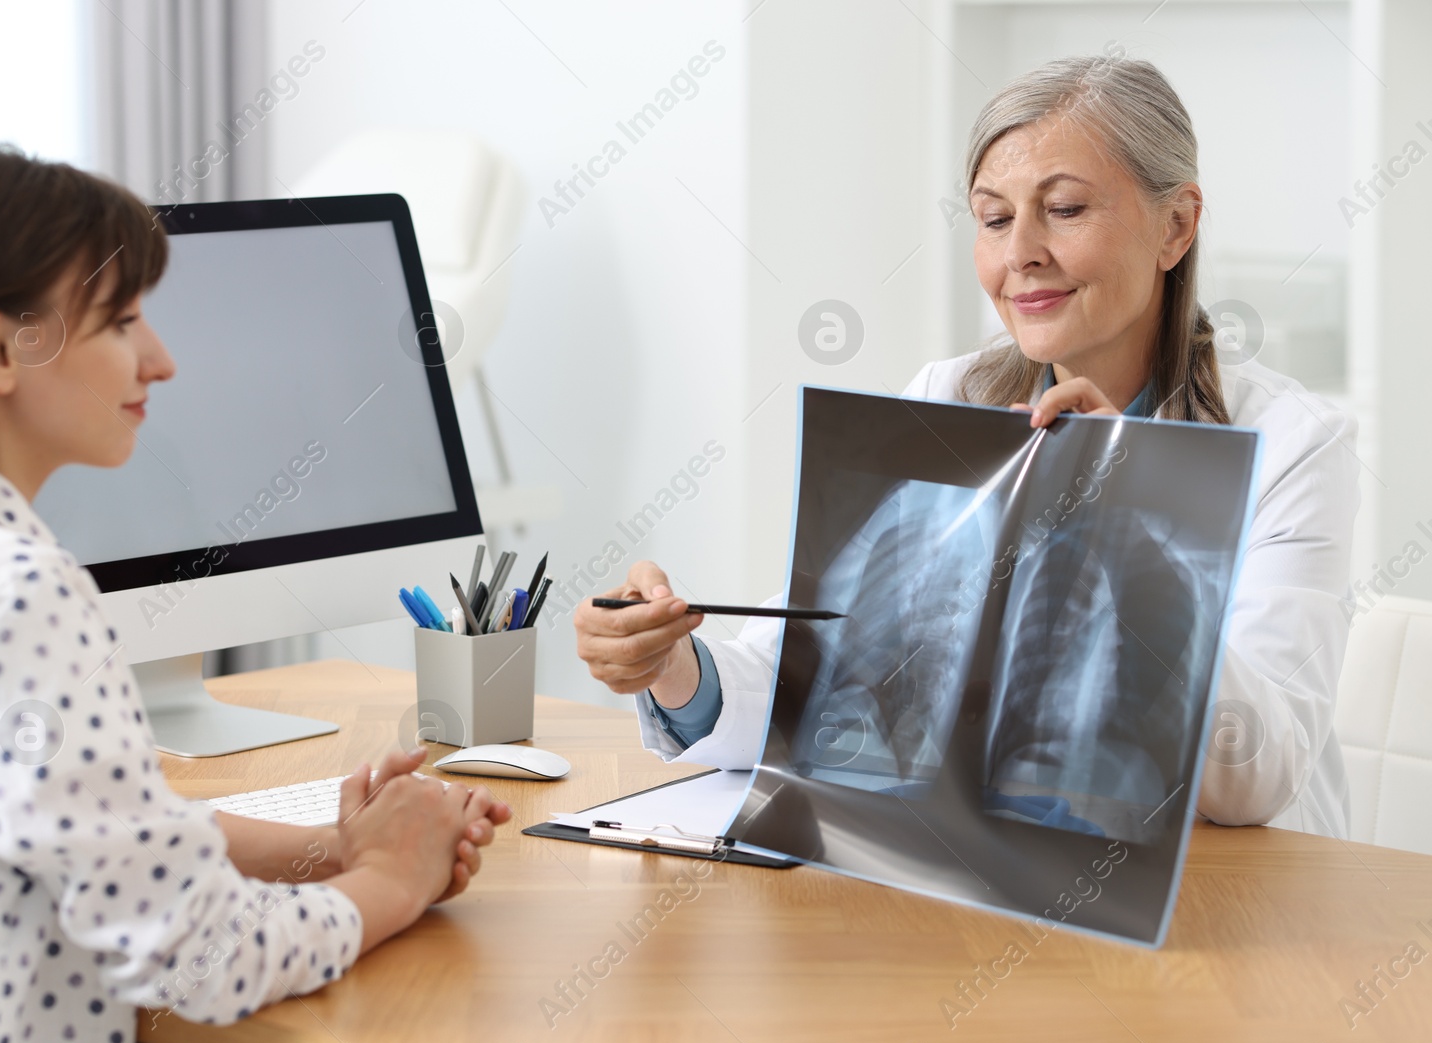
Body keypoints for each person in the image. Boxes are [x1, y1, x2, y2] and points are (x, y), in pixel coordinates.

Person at [0, 146, 509, 1043]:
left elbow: (94, 831)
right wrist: (391, 878)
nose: (162, 361)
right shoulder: (6, 591)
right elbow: (197, 959)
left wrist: (325, 848)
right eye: (121, 322)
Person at [573, 54, 1359, 838]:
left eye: (1066, 208)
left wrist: (1118, 520)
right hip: (983, 881)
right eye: (992, 218)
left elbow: (1258, 772)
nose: (1020, 252)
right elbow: (803, 678)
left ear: (1176, 225)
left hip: (1231, 908)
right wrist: (672, 666)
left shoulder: (1294, 444)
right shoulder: (944, 402)